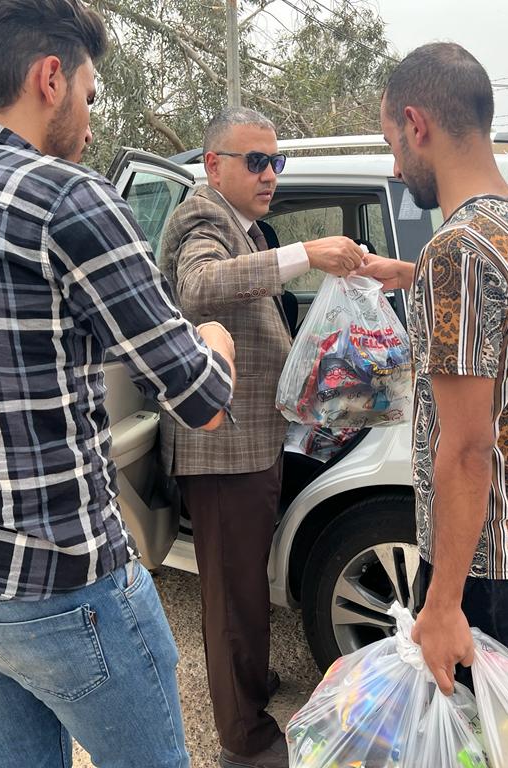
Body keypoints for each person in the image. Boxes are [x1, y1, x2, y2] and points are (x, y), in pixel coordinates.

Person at [0, 1, 235, 766]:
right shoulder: (66, 197)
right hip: (65, 592)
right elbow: (201, 401)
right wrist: (214, 338)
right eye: (89, 94)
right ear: (49, 78)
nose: (89, 124)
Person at [359, 42, 508, 696]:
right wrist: (414, 275)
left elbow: (469, 447)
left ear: (416, 125)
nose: (396, 166)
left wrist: (444, 602)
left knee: (476, 738)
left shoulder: (457, 252)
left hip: (479, 570)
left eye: (392, 144)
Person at [158, 107, 364, 768]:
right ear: (213, 166)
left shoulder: (241, 226)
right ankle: (242, 740)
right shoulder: (203, 217)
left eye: (276, 161)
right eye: (255, 161)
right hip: (222, 447)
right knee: (231, 596)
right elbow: (198, 286)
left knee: (247, 584)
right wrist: (307, 254)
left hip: (253, 440)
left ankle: (249, 684)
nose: (270, 174)